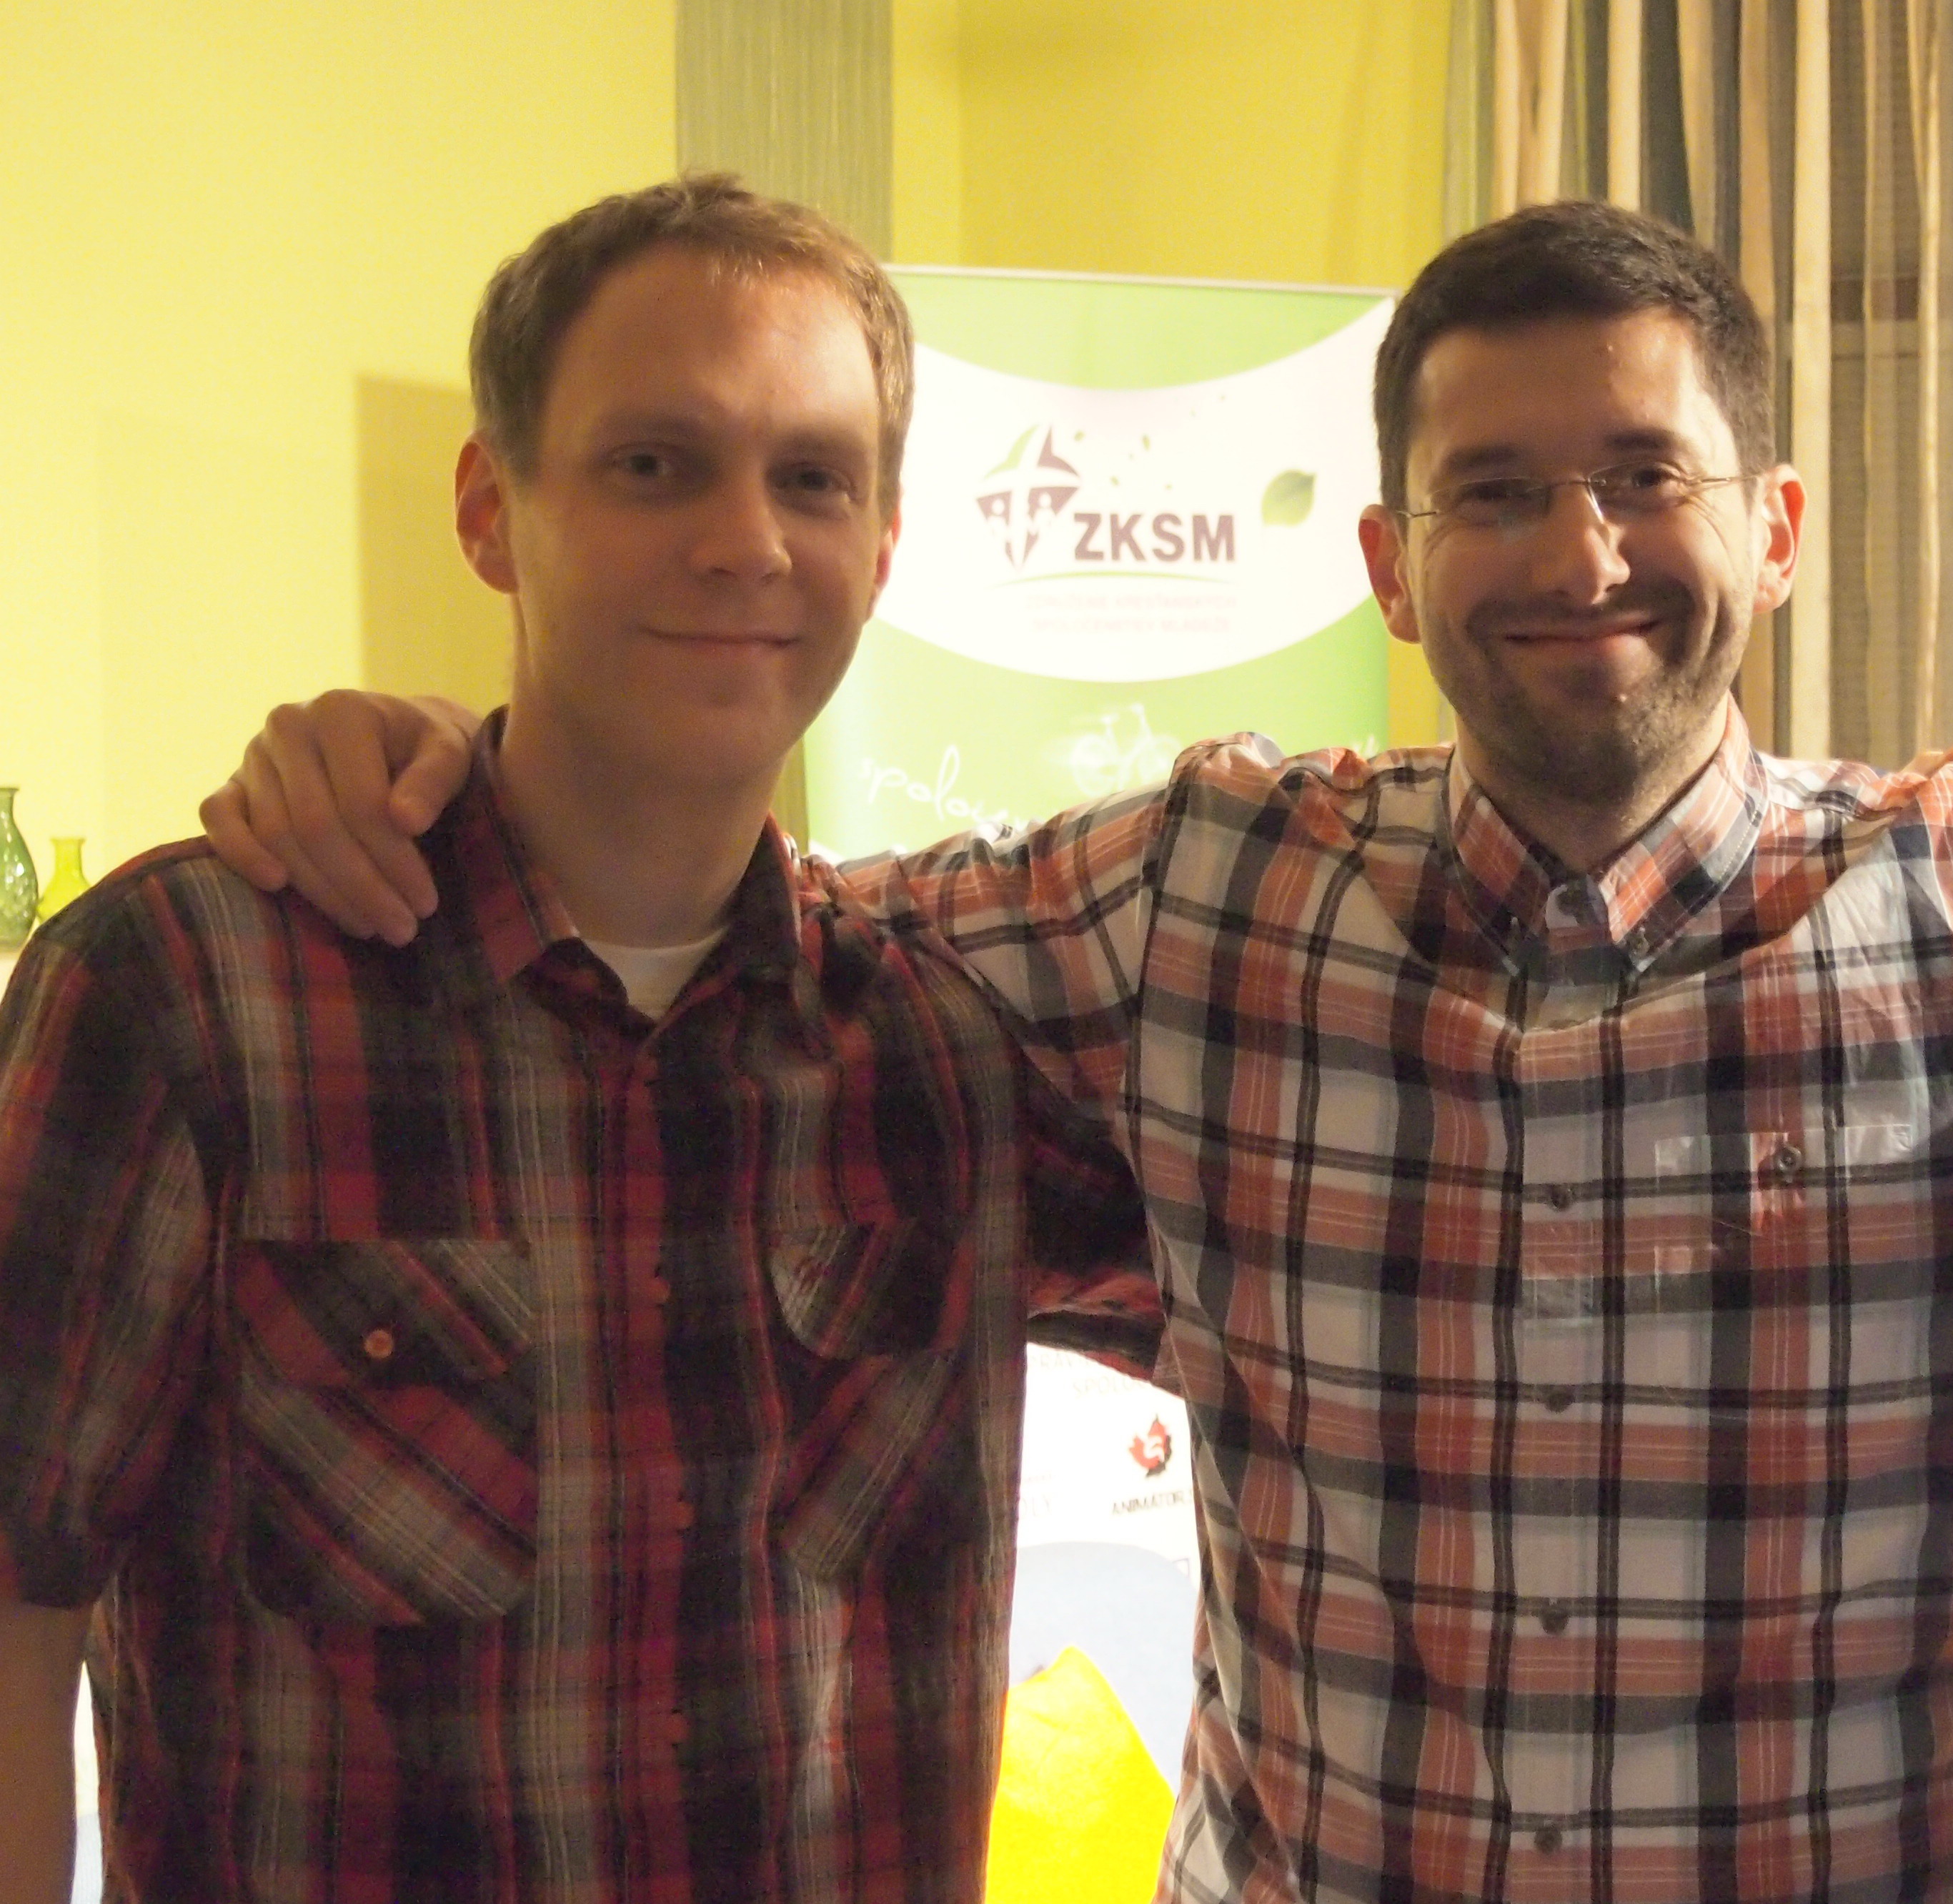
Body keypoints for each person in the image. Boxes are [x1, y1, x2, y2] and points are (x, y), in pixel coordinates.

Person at [203, 201, 1953, 1903]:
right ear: (1385, 563)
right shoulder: (1205, 889)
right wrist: (429, 765)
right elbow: (724, 924)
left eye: (1642, 473)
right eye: (1491, 491)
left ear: (1772, 531)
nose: (1576, 549)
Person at [0, 175, 1158, 1904]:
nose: (745, 542)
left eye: (813, 478)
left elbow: (1332, 1316)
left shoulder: (952, 1059)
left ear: (884, 545)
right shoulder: (188, 1001)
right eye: (653, 464)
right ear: (491, 509)